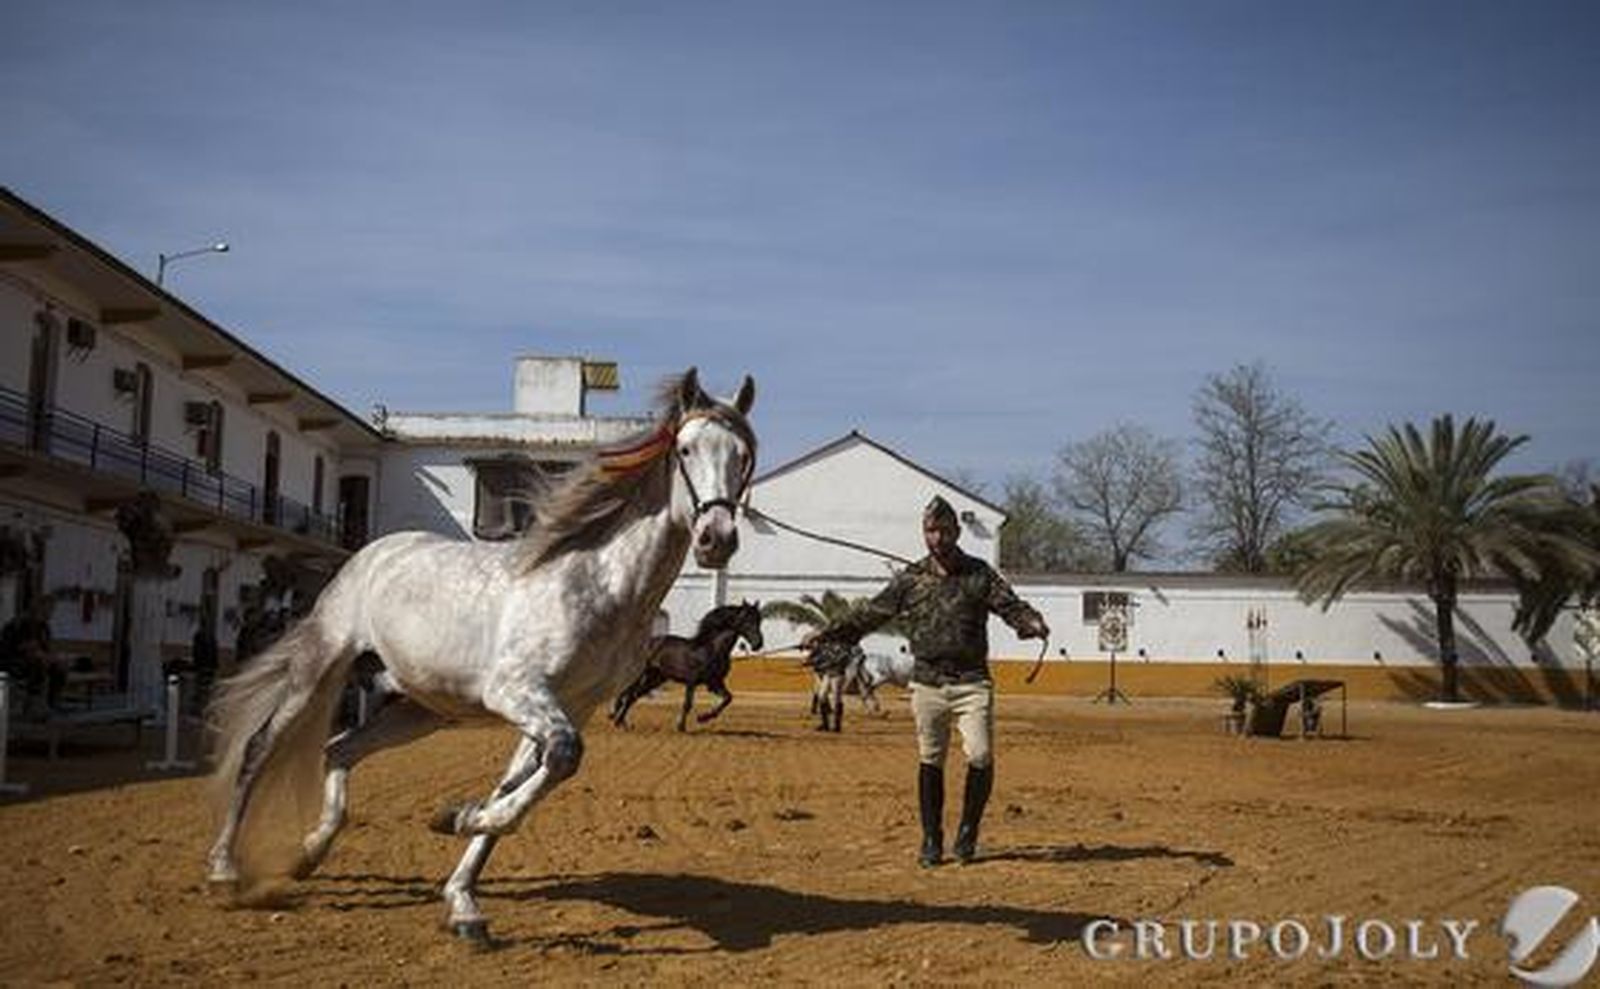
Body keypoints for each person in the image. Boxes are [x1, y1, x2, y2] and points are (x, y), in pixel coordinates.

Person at [804, 495, 1049, 867]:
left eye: (944, 530)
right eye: (930, 531)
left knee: (980, 755)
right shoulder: (910, 579)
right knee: (931, 758)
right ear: (925, 533)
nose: (937, 538)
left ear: (957, 531)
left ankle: (967, 833)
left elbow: (1010, 605)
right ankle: (931, 839)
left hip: (972, 682)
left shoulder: (979, 574)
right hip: (927, 683)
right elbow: (869, 614)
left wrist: (1030, 622)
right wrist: (828, 633)